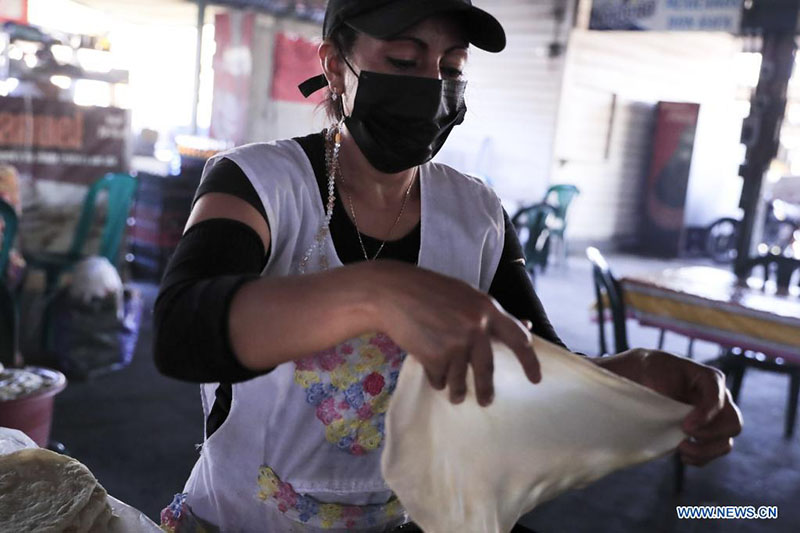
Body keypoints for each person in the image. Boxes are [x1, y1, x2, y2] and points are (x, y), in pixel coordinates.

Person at [153, 1, 742, 531]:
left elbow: (537, 370)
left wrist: (637, 375)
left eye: (452, 69)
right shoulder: (258, 182)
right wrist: (373, 293)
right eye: (406, 61)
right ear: (335, 67)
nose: (432, 86)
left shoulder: (476, 213)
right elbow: (182, 329)